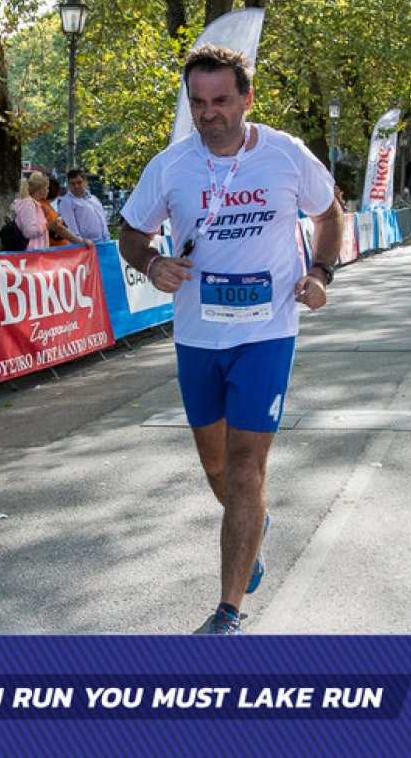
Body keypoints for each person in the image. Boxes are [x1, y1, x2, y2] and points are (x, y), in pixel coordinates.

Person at [117, 45, 343, 636]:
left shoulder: (286, 154)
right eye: (198, 102)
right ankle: (253, 527)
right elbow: (131, 232)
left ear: (247, 98)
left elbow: (330, 214)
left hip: (267, 332)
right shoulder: (171, 165)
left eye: (220, 100)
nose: (209, 113)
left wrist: (320, 273)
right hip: (198, 336)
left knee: (245, 470)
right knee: (216, 465)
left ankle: (228, 611)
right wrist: (151, 263)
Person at [28, 172, 93, 248]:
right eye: (46, 188)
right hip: (52, 250)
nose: (47, 190)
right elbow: (59, 229)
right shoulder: (43, 207)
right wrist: (80, 242)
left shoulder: (39, 205)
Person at [60, 168, 111, 243]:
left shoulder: (94, 199)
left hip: (103, 243)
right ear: (68, 185)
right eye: (72, 184)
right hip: (85, 245)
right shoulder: (67, 201)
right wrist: (80, 242)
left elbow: (103, 221)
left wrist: (107, 239)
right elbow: (71, 227)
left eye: (79, 182)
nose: (76, 186)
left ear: (85, 182)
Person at [11, 178, 48, 250]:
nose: (48, 190)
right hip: (31, 251)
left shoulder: (34, 205)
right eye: (47, 188)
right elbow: (28, 232)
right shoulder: (28, 204)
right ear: (41, 189)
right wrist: (47, 226)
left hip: (36, 250)